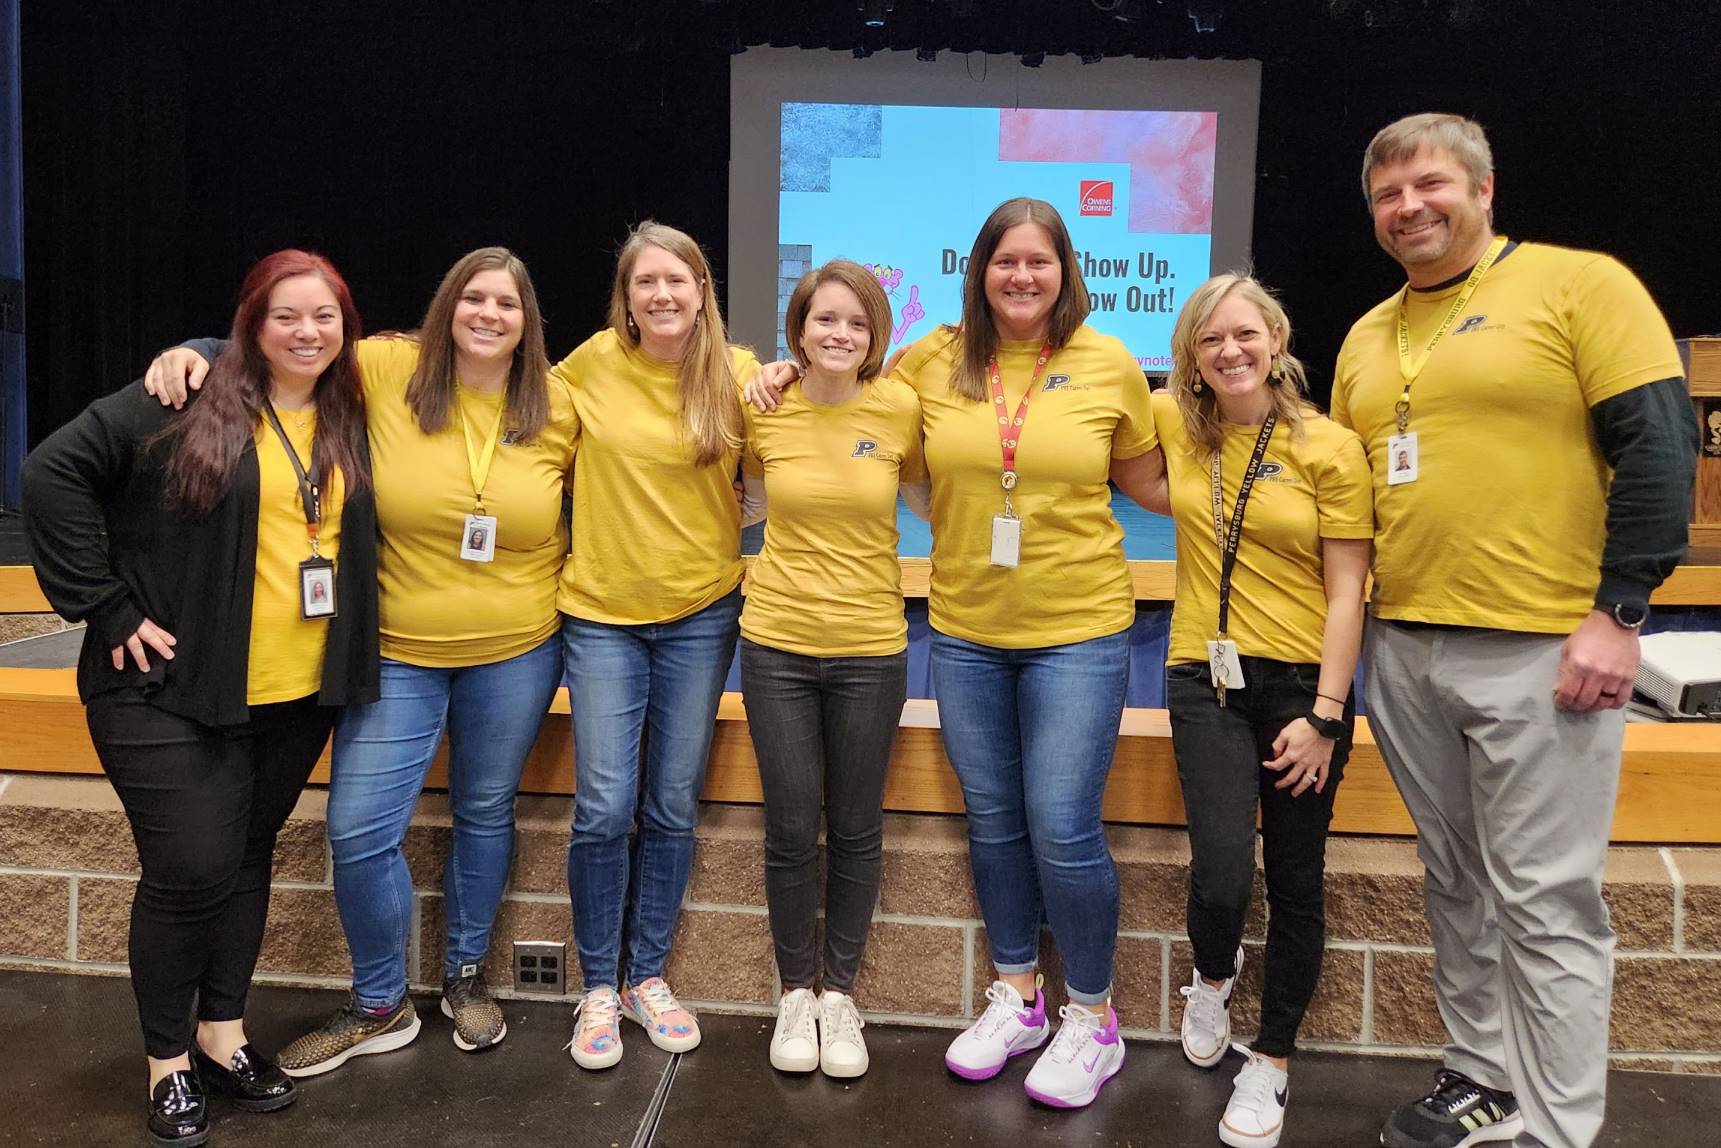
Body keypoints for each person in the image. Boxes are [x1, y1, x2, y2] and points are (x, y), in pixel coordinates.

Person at [752, 197, 1167, 1109]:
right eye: (1004, 261)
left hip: (1079, 630)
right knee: (995, 822)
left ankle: (1092, 1018)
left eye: (1039, 262)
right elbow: (848, 387)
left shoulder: (1109, 365)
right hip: (969, 631)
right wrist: (778, 372)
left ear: (1066, 270)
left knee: (1061, 826)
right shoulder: (934, 359)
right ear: (978, 270)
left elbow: (1156, 483)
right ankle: (1018, 995)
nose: (1022, 277)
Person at [1334, 113, 1695, 1148]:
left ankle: (1557, 1123)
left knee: (1544, 898)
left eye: (1429, 185)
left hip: (1545, 645)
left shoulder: (1581, 285)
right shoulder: (1366, 333)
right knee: (1454, 877)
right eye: (1386, 195)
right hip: (1403, 646)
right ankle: (1480, 1076)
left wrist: (1618, 610)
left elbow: (1660, 447)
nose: (1408, 207)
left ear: (1483, 191)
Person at [142, 247, 578, 1072]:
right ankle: (381, 1003)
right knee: (358, 832)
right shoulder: (385, 368)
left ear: (529, 324)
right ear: (447, 306)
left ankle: (463, 978)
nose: (489, 314)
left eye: (508, 304)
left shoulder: (560, 404)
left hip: (517, 651)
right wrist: (197, 352)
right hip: (396, 654)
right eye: (474, 298)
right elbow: (287, 343)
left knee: (485, 813)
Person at [23, 250, 379, 1146]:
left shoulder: (349, 412)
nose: (307, 332)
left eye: (325, 317)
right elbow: (50, 474)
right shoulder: (182, 398)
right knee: (189, 870)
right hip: (166, 687)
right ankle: (167, 1062)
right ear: (250, 323)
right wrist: (103, 606)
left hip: (294, 692)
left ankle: (224, 1035)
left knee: (246, 855)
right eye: (286, 316)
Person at [1155, 274, 1371, 1148]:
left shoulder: (1330, 447)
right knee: (1218, 872)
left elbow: (1349, 588)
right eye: (1209, 341)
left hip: (1300, 690)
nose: (1229, 352)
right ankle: (1210, 978)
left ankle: (1271, 1062)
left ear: (1275, 340)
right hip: (1202, 681)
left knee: (1294, 882)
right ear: (1191, 358)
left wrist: (1323, 714)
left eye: (1244, 335)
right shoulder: (1175, 423)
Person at [552, 222, 759, 1070]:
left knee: (671, 804)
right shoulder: (586, 367)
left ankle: (645, 978)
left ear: (702, 289)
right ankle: (597, 985)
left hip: (701, 615)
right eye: (646, 283)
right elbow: (484, 384)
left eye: (678, 280)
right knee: (604, 805)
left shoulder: (739, 374)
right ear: (626, 296)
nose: (662, 295)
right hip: (601, 615)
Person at [737, 259, 925, 1079]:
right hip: (775, 641)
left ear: (875, 333)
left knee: (854, 827)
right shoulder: (764, 410)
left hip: (870, 648)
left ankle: (839, 996)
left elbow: (934, 497)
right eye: (823, 321)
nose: (838, 334)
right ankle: (794, 994)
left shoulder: (899, 407)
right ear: (798, 330)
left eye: (854, 322)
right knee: (789, 828)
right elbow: (739, 502)